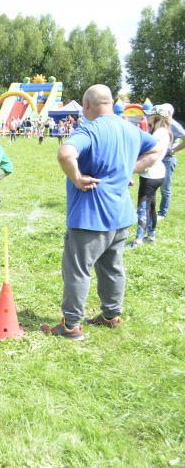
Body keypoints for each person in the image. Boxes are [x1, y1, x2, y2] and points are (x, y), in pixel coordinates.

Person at [42, 85, 163, 340]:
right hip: (120, 216)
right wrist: (129, 169)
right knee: (113, 267)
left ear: (86, 104)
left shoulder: (89, 130)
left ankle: (71, 326)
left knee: (77, 270)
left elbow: (65, 153)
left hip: (90, 216)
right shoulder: (130, 129)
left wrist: (77, 178)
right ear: (110, 103)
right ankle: (111, 316)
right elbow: (156, 149)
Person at [128, 107, 172, 249]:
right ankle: (151, 236)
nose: (148, 117)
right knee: (151, 205)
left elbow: (153, 154)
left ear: (156, 116)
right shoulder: (163, 132)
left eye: (150, 115)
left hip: (151, 174)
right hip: (157, 173)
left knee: (143, 207)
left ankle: (138, 240)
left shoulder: (159, 133)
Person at [157, 103, 184, 219]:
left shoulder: (174, 125)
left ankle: (162, 213)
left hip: (168, 159)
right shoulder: (161, 124)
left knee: (165, 188)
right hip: (158, 158)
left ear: (168, 113)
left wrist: (173, 151)